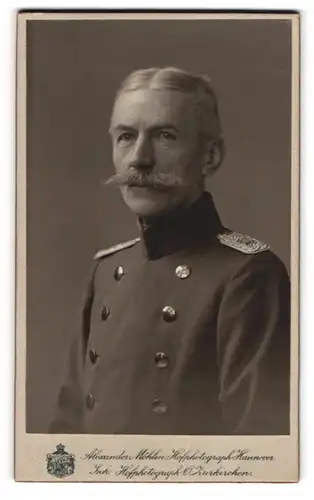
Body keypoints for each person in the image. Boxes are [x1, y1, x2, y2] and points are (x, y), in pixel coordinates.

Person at [50, 67, 290, 435]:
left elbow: (259, 452)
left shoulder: (249, 274)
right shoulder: (107, 270)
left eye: (164, 136)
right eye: (126, 137)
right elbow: (65, 435)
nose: (139, 159)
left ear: (210, 157)